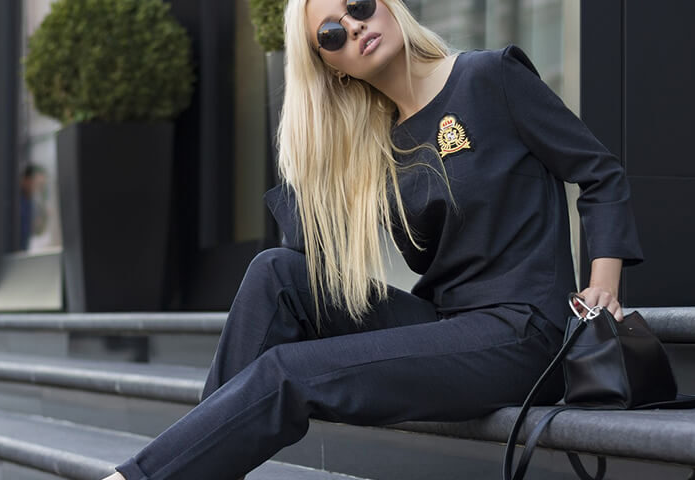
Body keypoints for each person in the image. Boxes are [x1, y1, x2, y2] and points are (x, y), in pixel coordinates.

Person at [107, 0, 642, 478]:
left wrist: (602, 286)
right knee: (275, 273)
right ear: (332, 67)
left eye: (359, 5)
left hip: (525, 333)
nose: (354, 26)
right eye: (332, 34)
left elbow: (599, 173)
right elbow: (306, 250)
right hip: (444, 326)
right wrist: (319, 144)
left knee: (287, 374)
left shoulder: (489, 76)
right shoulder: (378, 144)